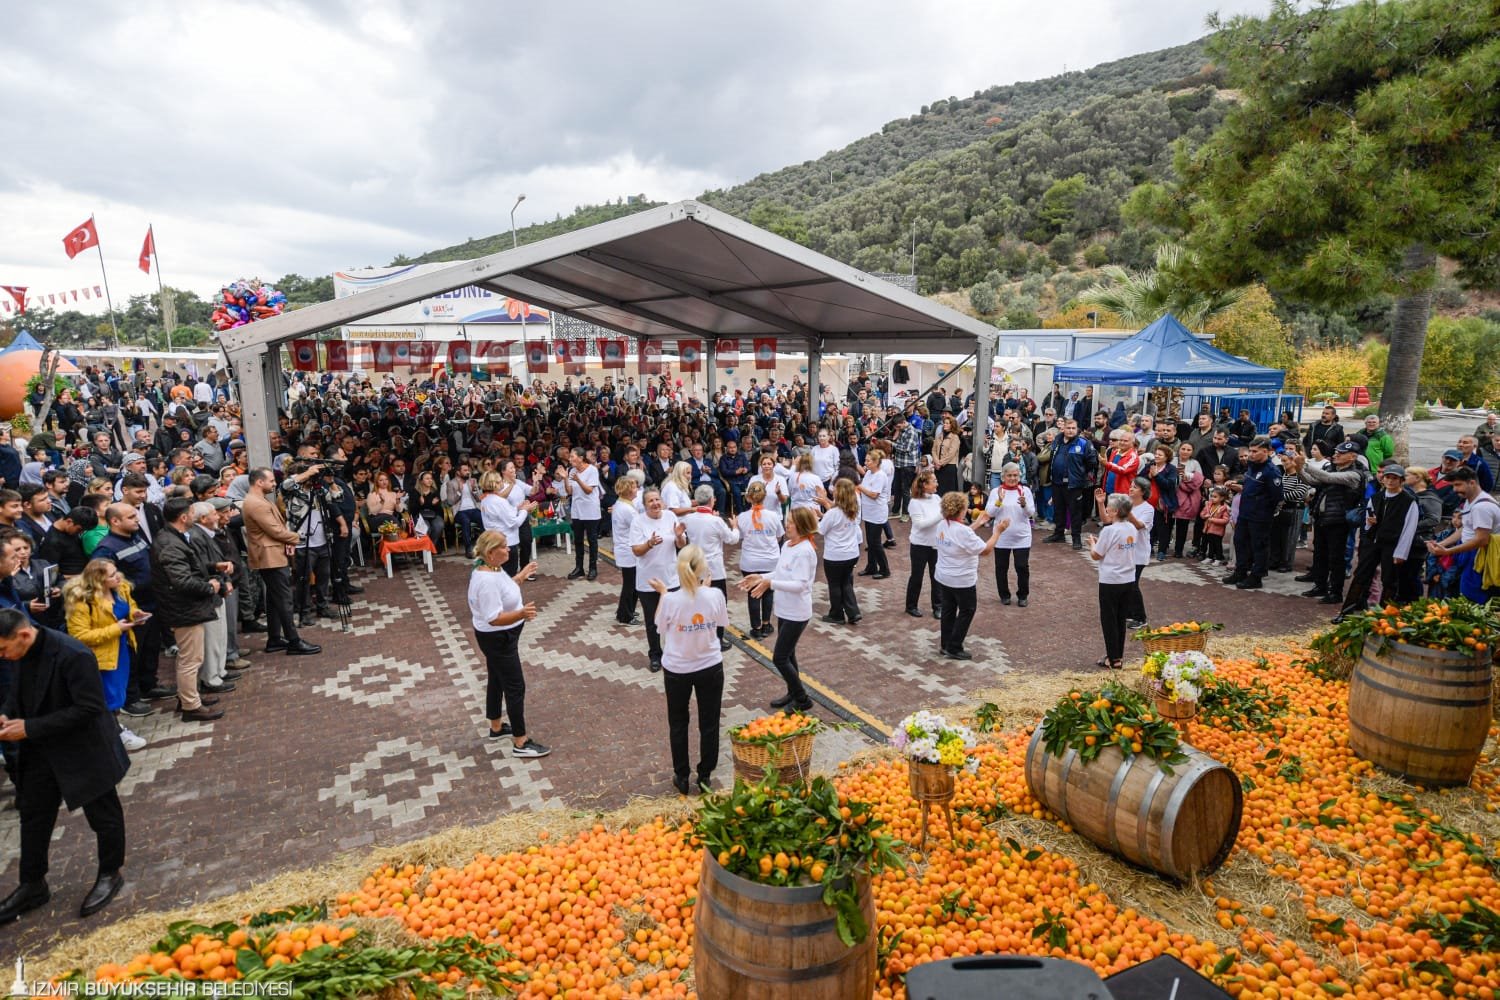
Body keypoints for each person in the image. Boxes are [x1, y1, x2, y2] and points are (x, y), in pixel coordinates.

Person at [0, 608, 130, 924]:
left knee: (103, 814)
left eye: (3, 649)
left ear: (24, 635)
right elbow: (17, 694)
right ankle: (33, 884)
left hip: (84, 749)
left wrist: (29, 728)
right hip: (41, 751)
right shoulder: (21, 653)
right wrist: (7, 713)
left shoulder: (73, 654)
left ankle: (110, 873)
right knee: (33, 816)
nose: (3, 657)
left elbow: (89, 709)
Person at [650, 545, 728, 795]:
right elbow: (721, 623)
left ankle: (681, 775)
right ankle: (705, 774)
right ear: (702, 568)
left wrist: (663, 593)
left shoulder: (672, 599)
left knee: (678, 722)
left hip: (677, 669)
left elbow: (659, 627)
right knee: (710, 722)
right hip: (710, 665)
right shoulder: (714, 595)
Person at [467, 531, 549, 758]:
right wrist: (521, 613)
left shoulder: (491, 568)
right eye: (503, 546)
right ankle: (521, 742)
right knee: (515, 686)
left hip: (498, 637)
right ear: (491, 552)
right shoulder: (486, 580)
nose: (509, 549)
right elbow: (493, 616)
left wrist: (521, 576)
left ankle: (496, 726)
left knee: (496, 678)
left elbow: (504, 589)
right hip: (499, 639)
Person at [63, 559, 150, 752]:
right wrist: (116, 629)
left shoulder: (121, 589)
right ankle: (113, 734)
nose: (117, 576)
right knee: (107, 696)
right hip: (101, 656)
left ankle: (114, 729)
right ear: (98, 580)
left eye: (116, 571)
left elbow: (129, 606)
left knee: (118, 693)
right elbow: (79, 636)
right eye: (111, 575)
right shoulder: (82, 601)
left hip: (122, 649)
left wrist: (135, 614)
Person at [150, 497, 225, 721]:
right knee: (190, 660)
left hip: (185, 607)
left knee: (192, 658)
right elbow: (182, 581)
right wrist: (209, 586)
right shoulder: (170, 544)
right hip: (183, 608)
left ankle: (189, 697)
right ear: (184, 517)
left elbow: (188, 567)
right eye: (192, 513)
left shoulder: (174, 538)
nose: (194, 516)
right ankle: (191, 705)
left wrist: (211, 567)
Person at [739, 507, 818, 712]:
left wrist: (770, 585)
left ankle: (802, 699)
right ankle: (793, 692)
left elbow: (801, 585)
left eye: (791, 522)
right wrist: (761, 577)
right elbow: (781, 572)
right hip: (784, 609)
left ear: (800, 526)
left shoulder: (805, 551)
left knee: (780, 657)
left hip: (797, 612)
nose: (786, 524)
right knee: (789, 655)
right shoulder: (788, 546)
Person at [241, 467, 320, 657]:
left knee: (274, 599)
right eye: (271, 481)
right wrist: (296, 538)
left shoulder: (256, 500)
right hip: (270, 556)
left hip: (271, 553)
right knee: (284, 599)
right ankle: (294, 640)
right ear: (259, 482)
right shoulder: (257, 504)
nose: (274, 484)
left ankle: (275, 638)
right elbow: (275, 530)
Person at [1335, 463, 1418, 621]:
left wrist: (1401, 552)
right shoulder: (1377, 497)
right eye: (1388, 477)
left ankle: (1384, 616)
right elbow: (1367, 519)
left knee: (1389, 579)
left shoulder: (1408, 501)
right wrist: (1369, 525)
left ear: (1401, 481)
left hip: (1392, 544)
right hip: (1373, 542)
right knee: (1361, 575)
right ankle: (1347, 611)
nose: (1390, 481)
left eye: (1395, 478)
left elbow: (1409, 528)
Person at [934, 490, 1000, 660]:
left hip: (944, 576)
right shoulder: (963, 532)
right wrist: (997, 532)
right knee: (967, 610)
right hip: (961, 580)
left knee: (948, 610)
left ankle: (945, 644)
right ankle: (954, 646)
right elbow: (984, 550)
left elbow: (959, 538)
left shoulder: (942, 525)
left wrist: (977, 523)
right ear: (961, 510)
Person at [630, 487, 687, 672]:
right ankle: (655, 654)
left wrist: (678, 536)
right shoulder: (638, 522)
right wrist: (649, 544)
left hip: (671, 578)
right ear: (645, 505)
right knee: (652, 620)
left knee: (675, 618)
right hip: (649, 580)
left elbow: (681, 544)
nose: (655, 504)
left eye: (657, 500)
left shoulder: (670, 517)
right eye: (650, 501)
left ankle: (674, 652)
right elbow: (636, 550)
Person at [1425, 467, 1499, 604]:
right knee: (1462, 594)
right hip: (1469, 553)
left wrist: (1447, 551)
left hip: (1478, 556)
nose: (1454, 490)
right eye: (1453, 486)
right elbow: (1465, 529)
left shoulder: (1481, 507)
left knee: (1472, 598)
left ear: (1472, 483)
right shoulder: (1471, 501)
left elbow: (1481, 539)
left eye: (1458, 485)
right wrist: (1441, 544)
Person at [682, 486, 739, 651]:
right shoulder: (716, 521)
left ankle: (699, 637)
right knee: (718, 604)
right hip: (714, 569)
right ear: (711, 500)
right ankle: (718, 639)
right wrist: (735, 526)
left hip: (694, 566)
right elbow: (732, 539)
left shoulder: (689, 519)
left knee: (697, 603)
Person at [1087, 494, 1138, 671]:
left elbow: (1096, 555)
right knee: (1120, 619)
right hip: (1128, 579)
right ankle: (1117, 655)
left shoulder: (1109, 531)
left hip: (1111, 580)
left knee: (1109, 620)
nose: (1106, 508)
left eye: (1108, 506)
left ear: (1115, 511)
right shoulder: (1131, 527)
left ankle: (1113, 658)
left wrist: (1092, 544)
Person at [1225, 437, 1283, 591]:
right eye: (1250, 450)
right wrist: (1239, 485)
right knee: (1240, 541)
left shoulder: (1272, 471)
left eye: (1255, 451)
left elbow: (1277, 496)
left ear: (1266, 452)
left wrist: (1262, 507)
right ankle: (1240, 572)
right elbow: (1250, 482)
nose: (1251, 454)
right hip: (1245, 512)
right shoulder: (1252, 465)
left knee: (1259, 546)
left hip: (1260, 516)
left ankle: (1257, 576)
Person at [978, 463, 1036, 607]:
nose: (1012, 478)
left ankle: (1023, 595)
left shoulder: (1025, 491)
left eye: (1015, 475)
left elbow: (1031, 513)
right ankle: (1004, 595)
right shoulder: (996, 491)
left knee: (1022, 566)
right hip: (1001, 536)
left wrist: (1024, 505)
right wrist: (999, 500)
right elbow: (989, 513)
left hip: (1022, 536)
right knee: (1001, 567)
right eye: (1009, 475)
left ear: (1019, 476)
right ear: (1003, 476)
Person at [736, 480, 783, 639]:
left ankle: (755, 628)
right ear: (765, 497)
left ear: (748, 498)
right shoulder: (774, 516)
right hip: (770, 559)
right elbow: (779, 536)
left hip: (750, 560)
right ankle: (766, 624)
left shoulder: (742, 517)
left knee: (752, 593)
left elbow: (740, 537)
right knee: (768, 591)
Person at [1044, 419, 1098, 549]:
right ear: (1063, 428)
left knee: (1075, 512)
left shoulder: (1084, 443)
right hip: (1057, 483)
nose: (1071, 430)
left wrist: (1080, 474)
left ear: (1077, 429)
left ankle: (1076, 538)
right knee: (1058, 510)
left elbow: (1092, 462)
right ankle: (1059, 534)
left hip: (1074, 484)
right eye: (1068, 428)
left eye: (1073, 428)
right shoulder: (1057, 440)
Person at [817, 478, 863, 625]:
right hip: (851, 553)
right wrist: (823, 516)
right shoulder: (853, 510)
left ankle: (836, 614)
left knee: (835, 584)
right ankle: (853, 612)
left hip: (835, 555)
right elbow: (838, 524)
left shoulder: (833, 513)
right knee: (846, 582)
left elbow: (821, 530)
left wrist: (816, 518)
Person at [905, 469, 943, 620]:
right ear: (924, 484)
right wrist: (941, 515)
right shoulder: (914, 502)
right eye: (933, 481)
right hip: (919, 545)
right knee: (917, 576)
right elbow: (920, 524)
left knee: (937, 576)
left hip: (936, 544)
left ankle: (938, 607)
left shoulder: (937, 498)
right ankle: (911, 605)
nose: (936, 484)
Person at [564, 448, 602, 580]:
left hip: (591, 510)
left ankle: (593, 568)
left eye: (572, 457)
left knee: (592, 540)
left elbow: (589, 490)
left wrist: (578, 479)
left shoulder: (592, 470)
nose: (570, 459)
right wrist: (565, 478)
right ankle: (579, 567)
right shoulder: (571, 470)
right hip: (577, 510)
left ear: (581, 458)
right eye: (569, 457)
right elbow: (569, 491)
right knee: (578, 540)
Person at [610, 475, 642, 625]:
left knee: (632, 583)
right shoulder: (627, 509)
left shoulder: (622, 505)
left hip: (624, 548)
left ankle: (625, 609)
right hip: (628, 550)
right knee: (630, 585)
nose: (637, 489)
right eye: (635, 487)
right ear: (629, 490)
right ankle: (625, 615)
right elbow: (639, 527)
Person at [855, 450, 891, 578]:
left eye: (868, 461)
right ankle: (871, 566)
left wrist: (859, 487)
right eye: (865, 460)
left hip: (877, 513)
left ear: (876, 462)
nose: (865, 463)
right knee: (870, 542)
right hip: (869, 513)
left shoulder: (880, 475)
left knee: (875, 542)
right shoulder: (869, 473)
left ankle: (885, 569)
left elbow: (874, 494)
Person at [932, 413, 962, 495]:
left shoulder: (955, 437)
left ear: (952, 425)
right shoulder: (939, 436)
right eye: (944, 423)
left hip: (949, 467)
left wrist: (940, 463)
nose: (944, 425)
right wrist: (936, 461)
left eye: (947, 423)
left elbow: (951, 454)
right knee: (938, 491)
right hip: (938, 467)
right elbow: (934, 450)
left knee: (948, 492)